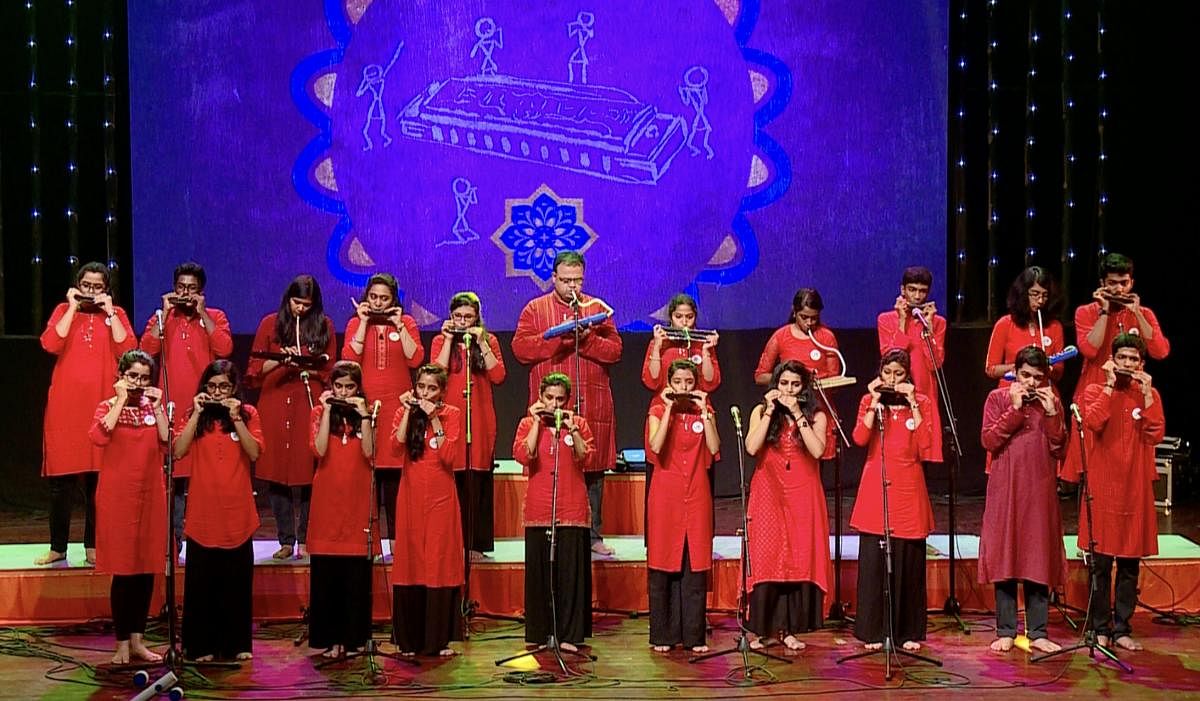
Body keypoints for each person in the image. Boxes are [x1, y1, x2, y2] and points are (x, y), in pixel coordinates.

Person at [513, 250, 622, 556]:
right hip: (552, 404)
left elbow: (614, 351)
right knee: (550, 464)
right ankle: (549, 530)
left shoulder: (597, 308)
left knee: (593, 467)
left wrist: (586, 339)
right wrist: (560, 340)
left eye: (577, 280)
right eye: (565, 280)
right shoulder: (535, 309)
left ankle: (594, 535)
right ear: (554, 278)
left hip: (592, 401)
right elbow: (521, 349)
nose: (572, 287)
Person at [1060, 333, 1164, 652]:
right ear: (1113, 360)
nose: (1128, 365)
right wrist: (1107, 385)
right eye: (1123, 359)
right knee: (1101, 563)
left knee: (1129, 564)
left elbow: (1155, 432)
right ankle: (1100, 627)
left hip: (1134, 488)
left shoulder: (1148, 394)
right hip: (1103, 487)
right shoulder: (1095, 390)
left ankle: (1122, 628)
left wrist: (1146, 396)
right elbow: (1093, 421)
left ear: (1141, 363)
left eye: (1134, 359)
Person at [38, 262, 137, 566]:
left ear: (107, 289)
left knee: (99, 482)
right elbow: (50, 343)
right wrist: (71, 307)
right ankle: (58, 547)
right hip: (65, 409)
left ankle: (93, 546)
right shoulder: (62, 309)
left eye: (98, 287)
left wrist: (110, 312)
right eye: (87, 286)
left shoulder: (116, 314)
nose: (92, 292)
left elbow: (128, 350)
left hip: (100, 407)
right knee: (61, 484)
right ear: (78, 285)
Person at [140, 262, 234, 551]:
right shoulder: (162, 317)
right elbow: (146, 349)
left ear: (201, 292)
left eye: (192, 289)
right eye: (181, 287)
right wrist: (164, 312)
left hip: (204, 405)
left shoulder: (214, 316)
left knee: (203, 474)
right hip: (170, 404)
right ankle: (174, 541)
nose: (185, 293)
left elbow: (225, 348)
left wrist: (203, 312)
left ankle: (203, 536)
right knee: (174, 477)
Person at [978, 347, 1068, 654]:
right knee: (1005, 555)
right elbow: (989, 440)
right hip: (1006, 488)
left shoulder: (1051, 404)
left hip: (1039, 490)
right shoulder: (998, 399)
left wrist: (1054, 413)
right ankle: (1006, 630)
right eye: (1025, 375)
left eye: (1037, 378)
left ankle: (1038, 631)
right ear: (1015, 373)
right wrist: (1014, 410)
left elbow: (1059, 449)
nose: (1030, 383)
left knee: (1037, 555)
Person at [175, 359, 260, 662]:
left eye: (224, 386)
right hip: (203, 512)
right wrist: (196, 412)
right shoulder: (195, 416)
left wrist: (236, 419)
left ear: (234, 388)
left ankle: (236, 644)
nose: (217, 392)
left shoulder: (248, 414)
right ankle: (201, 646)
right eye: (212, 386)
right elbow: (178, 450)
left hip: (237, 512)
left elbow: (253, 452)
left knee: (236, 583)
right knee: (202, 584)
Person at [850, 349, 935, 652]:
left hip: (910, 487)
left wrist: (913, 403)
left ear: (908, 376)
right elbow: (860, 439)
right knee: (874, 563)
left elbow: (926, 445)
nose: (892, 380)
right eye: (887, 374)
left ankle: (907, 631)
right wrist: (873, 403)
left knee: (909, 562)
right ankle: (873, 631)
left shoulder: (921, 402)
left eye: (899, 375)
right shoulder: (868, 401)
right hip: (876, 486)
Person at [247, 274, 337, 560]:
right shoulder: (269, 324)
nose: (300, 309)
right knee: (276, 473)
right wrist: (278, 360)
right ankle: (286, 540)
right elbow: (253, 370)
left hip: (307, 402)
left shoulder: (325, 325)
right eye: (296, 302)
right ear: (288, 300)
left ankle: (307, 537)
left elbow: (331, 369)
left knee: (310, 471)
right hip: (275, 402)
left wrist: (308, 364)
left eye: (306, 304)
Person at [743, 360, 831, 651]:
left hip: (802, 491)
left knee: (796, 557)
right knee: (768, 556)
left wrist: (796, 413)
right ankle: (763, 630)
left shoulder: (816, 415)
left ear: (804, 387)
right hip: (769, 488)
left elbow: (818, 450)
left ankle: (790, 629)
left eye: (795, 385)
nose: (789, 390)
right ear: (775, 385)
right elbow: (752, 447)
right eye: (784, 384)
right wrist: (771, 410)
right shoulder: (761, 410)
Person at [88, 350, 168, 664]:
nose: (137, 382)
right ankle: (121, 643)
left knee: (145, 570)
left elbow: (168, 443)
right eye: (132, 376)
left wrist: (159, 409)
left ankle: (138, 641)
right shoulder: (107, 407)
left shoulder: (154, 409)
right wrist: (120, 399)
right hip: (118, 497)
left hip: (150, 496)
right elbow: (97, 436)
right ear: (121, 376)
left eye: (143, 377)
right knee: (123, 571)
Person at [341, 273, 423, 561]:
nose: (377, 303)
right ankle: (372, 546)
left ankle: (402, 546)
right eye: (373, 297)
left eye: (384, 298)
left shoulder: (407, 323)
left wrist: (399, 324)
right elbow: (350, 361)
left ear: (393, 299)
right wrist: (363, 322)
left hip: (397, 410)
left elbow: (415, 360)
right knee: (369, 480)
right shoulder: (355, 323)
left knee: (399, 482)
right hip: (366, 410)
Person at [513, 372, 595, 651]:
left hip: (571, 506)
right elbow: (524, 456)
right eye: (549, 398)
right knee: (540, 573)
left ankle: (569, 635)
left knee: (570, 574)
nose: (555, 404)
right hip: (540, 506)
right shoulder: (527, 423)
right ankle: (540, 633)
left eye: (560, 399)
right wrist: (537, 422)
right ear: (540, 398)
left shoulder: (579, 424)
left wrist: (572, 429)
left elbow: (587, 457)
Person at [390, 365, 464, 656]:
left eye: (432, 389)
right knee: (411, 561)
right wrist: (409, 412)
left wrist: (435, 420)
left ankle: (439, 639)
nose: (425, 393)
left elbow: (450, 457)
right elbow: (395, 449)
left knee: (438, 561)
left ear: (442, 392)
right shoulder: (403, 412)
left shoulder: (452, 414)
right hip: (410, 497)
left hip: (441, 499)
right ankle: (409, 640)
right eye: (421, 387)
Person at [645, 360, 718, 653]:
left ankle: (694, 635)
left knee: (694, 561)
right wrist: (670, 411)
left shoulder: (706, 411)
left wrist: (705, 413)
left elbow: (714, 448)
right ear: (669, 383)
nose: (684, 387)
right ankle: (663, 634)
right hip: (666, 495)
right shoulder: (657, 410)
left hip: (697, 493)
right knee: (664, 562)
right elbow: (656, 446)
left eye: (689, 382)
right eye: (678, 382)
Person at [307, 361, 377, 658]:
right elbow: (319, 450)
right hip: (327, 499)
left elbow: (370, 452)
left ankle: (354, 638)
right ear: (331, 387)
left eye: (350, 387)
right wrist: (325, 412)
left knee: (355, 573)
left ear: (358, 387)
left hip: (357, 498)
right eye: (339, 386)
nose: (344, 392)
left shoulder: (369, 412)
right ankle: (330, 638)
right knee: (327, 571)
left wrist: (363, 416)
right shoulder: (319, 412)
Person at [431, 292, 506, 561]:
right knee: (453, 480)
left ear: (477, 318)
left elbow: (498, 376)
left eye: (468, 317)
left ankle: (475, 544)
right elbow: (435, 377)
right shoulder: (442, 340)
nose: (462, 321)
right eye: (458, 316)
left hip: (480, 419)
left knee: (477, 480)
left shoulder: (489, 340)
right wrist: (450, 339)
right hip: (451, 418)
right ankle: (452, 543)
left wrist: (482, 342)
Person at [754, 288, 840, 460]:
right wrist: (790, 381)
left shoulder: (827, 337)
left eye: (814, 318)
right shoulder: (781, 336)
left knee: (815, 462)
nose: (809, 322)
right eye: (804, 317)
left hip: (817, 412)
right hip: (787, 414)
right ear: (794, 312)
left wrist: (815, 384)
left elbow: (835, 379)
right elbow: (760, 376)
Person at [1073, 253, 1170, 406]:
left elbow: (1160, 352)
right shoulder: (1085, 312)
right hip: (1095, 391)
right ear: (1102, 283)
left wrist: (1137, 313)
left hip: (1132, 394)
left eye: (1124, 283)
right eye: (1112, 283)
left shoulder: (1144, 314)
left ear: (1131, 283)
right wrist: (1104, 311)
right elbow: (1090, 350)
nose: (1119, 289)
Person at [876, 266, 945, 462]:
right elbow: (890, 356)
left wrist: (929, 328)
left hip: (924, 392)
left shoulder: (938, 322)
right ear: (902, 290)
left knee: (922, 450)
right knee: (897, 450)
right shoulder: (885, 319)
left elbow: (935, 364)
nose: (917, 296)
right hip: (894, 391)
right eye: (912, 289)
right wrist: (902, 320)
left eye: (922, 291)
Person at [984, 266, 1066, 387]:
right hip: (1011, 392)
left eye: (1045, 295)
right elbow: (991, 369)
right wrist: (1020, 368)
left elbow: (1059, 373)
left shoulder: (1055, 327)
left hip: (1043, 392)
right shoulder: (1005, 324)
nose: (1040, 300)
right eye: (1035, 294)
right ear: (1023, 293)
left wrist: (1046, 369)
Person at [642, 293, 720, 395]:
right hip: (664, 404)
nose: (684, 322)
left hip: (698, 404)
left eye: (689, 317)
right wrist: (657, 347)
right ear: (671, 317)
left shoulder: (704, 343)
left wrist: (706, 352)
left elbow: (710, 384)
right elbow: (652, 382)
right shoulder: (659, 342)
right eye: (678, 317)